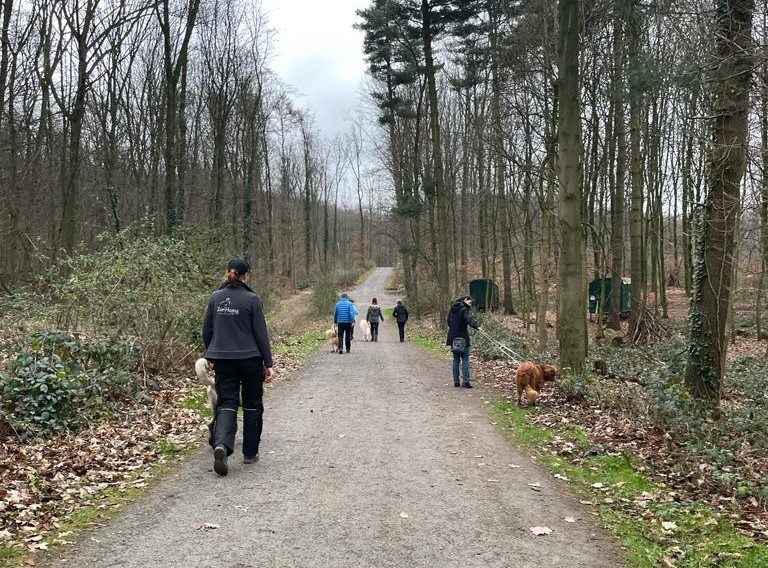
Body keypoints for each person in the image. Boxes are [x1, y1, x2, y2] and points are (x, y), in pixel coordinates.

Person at [202, 258, 274, 476]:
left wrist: (213, 352)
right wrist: (268, 363)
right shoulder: (252, 299)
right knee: (252, 404)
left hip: (223, 359)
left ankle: (222, 445)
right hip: (250, 359)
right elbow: (261, 334)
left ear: (228, 273)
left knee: (227, 402)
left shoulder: (215, 298)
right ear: (246, 275)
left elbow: (207, 330)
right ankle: (250, 454)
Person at [446, 295, 481, 388]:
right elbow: (469, 319)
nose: (470, 305)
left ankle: (456, 382)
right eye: (470, 302)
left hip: (453, 338)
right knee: (465, 359)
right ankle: (465, 382)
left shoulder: (452, 309)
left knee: (456, 359)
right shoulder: (463, 309)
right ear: (465, 300)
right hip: (463, 338)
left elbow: (448, 322)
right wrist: (477, 326)